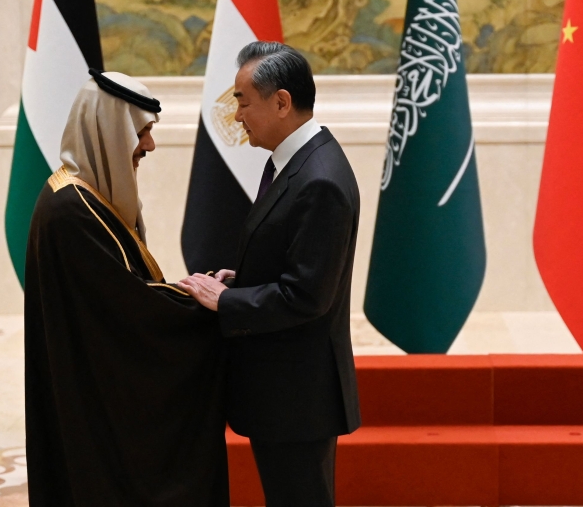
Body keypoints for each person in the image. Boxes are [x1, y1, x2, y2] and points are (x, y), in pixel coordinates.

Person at [24, 70, 229, 507]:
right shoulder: (72, 212)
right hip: (92, 405)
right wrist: (203, 302)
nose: (149, 147)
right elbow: (131, 312)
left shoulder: (80, 197)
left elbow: (121, 294)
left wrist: (185, 291)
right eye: (143, 132)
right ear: (108, 130)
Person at [179, 42, 361, 507]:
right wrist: (240, 280)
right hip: (285, 392)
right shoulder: (292, 161)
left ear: (281, 102)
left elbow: (306, 295)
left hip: (299, 398)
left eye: (242, 100)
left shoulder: (319, 179)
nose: (237, 115)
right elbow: (293, 261)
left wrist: (225, 302)